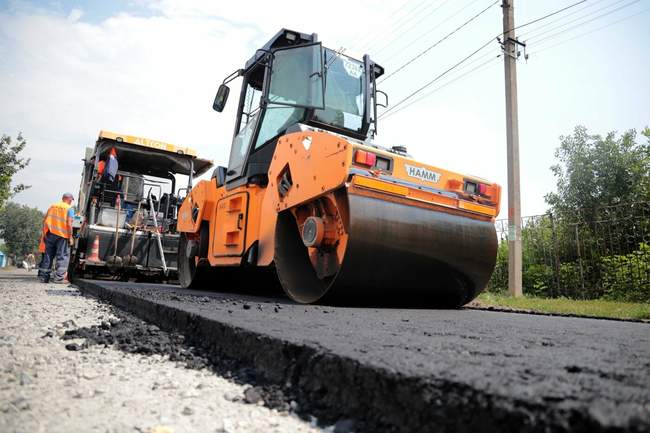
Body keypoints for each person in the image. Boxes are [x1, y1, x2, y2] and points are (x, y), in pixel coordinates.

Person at [38, 193, 75, 284]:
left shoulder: (52, 206)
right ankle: (59, 278)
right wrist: (70, 237)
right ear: (69, 199)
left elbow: (44, 221)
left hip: (50, 234)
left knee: (48, 256)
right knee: (62, 256)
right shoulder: (69, 209)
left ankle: (44, 277)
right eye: (71, 200)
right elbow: (69, 224)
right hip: (62, 236)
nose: (71, 202)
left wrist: (44, 233)